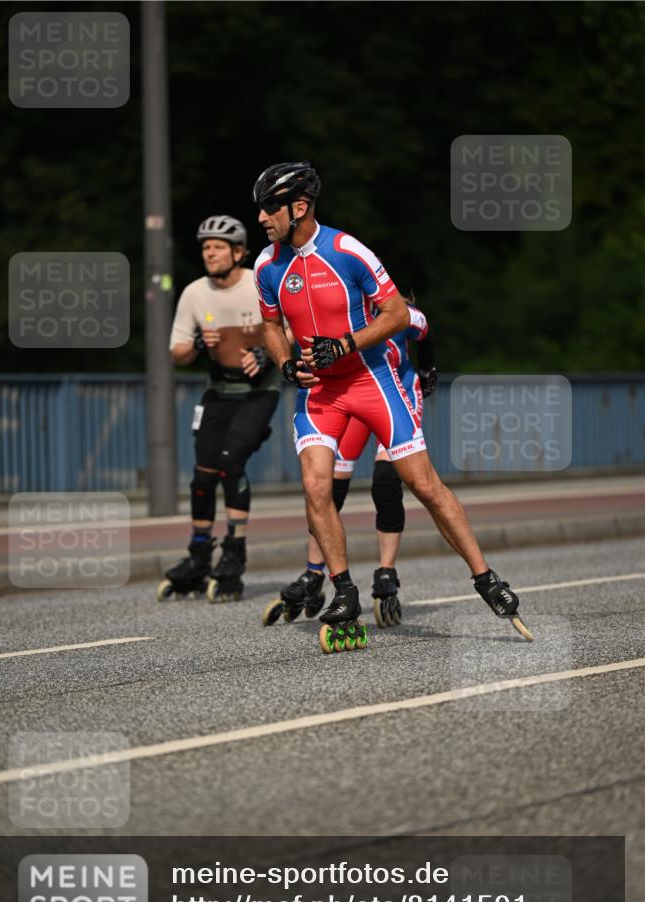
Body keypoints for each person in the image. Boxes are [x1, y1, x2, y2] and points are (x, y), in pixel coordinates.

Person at [252, 162, 531, 644]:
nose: (261, 218)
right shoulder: (266, 265)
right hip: (319, 391)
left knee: (422, 484)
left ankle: (486, 578)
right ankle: (343, 590)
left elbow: (398, 313)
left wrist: (345, 345)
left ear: (299, 207)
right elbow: (272, 326)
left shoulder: (347, 250)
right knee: (316, 486)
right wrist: (284, 363)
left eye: (269, 208)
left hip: (371, 380)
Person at [264, 302, 437, 628]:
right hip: (353, 394)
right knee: (328, 489)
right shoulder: (336, 308)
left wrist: (427, 372)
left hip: (397, 393)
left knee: (386, 482)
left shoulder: (396, 312)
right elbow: (288, 331)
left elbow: (425, 331)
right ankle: (314, 572)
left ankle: (386, 571)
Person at [159, 214, 281, 602]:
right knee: (202, 475)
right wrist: (197, 343)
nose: (209, 253)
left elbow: (293, 329)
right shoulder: (195, 293)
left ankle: (233, 554)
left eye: (218, 247)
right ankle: (199, 556)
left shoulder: (259, 283)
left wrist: (266, 353)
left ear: (239, 252)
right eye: (205, 247)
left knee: (231, 460)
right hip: (219, 391)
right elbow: (176, 352)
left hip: (260, 391)